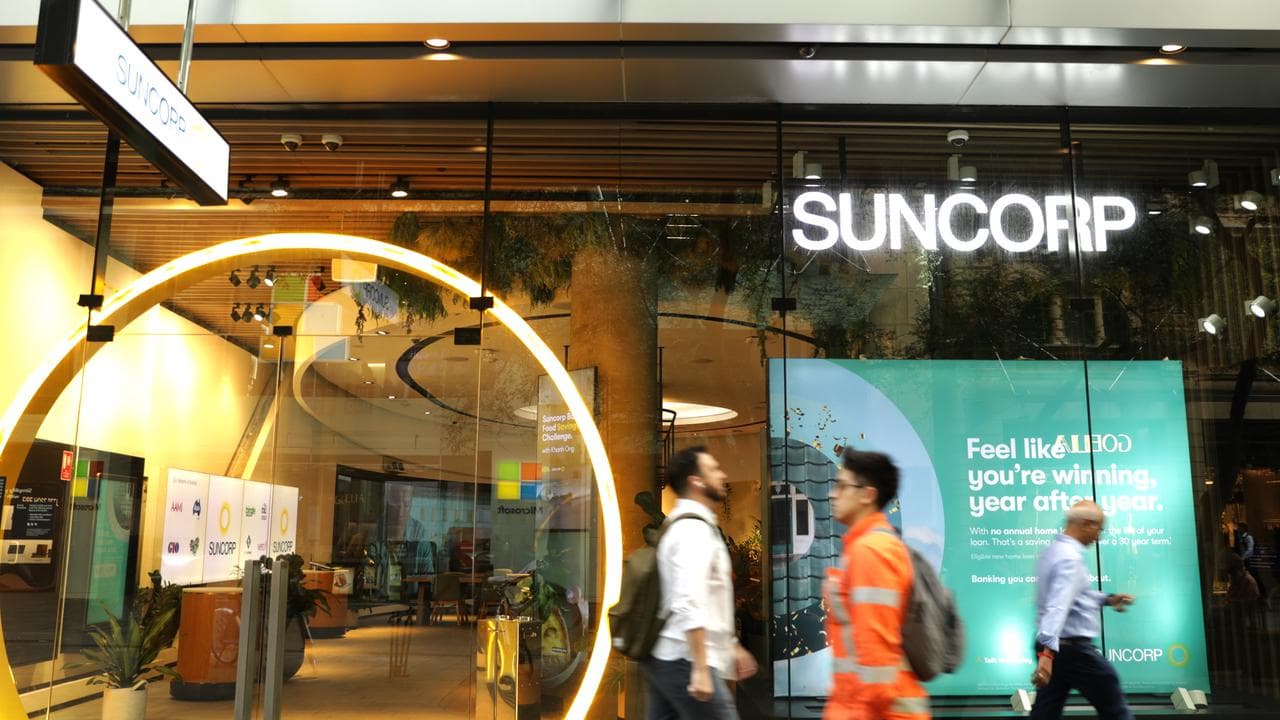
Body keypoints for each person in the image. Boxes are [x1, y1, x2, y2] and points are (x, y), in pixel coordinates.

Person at [644, 446, 758, 720]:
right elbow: (689, 600)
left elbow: (708, 599)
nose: (722, 475)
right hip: (685, 659)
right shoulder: (692, 530)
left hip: (671, 657)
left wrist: (731, 645)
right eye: (713, 470)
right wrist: (701, 668)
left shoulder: (687, 525)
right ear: (697, 482)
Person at [824, 449, 930, 720]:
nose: (833, 494)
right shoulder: (866, 546)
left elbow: (876, 654)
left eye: (842, 486)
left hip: (877, 710)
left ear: (867, 495)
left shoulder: (871, 550)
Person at [1030, 501, 1136, 720]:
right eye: (1100, 529)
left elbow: (1077, 596)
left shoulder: (1052, 551)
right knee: (1115, 707)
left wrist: (1108, 599)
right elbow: (1058, 605)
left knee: (1045, 714)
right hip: (1072, 650)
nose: (1099, 537)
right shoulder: (1070, 558)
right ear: (1087, 524)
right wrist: (1047, 653)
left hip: (1057, 648)